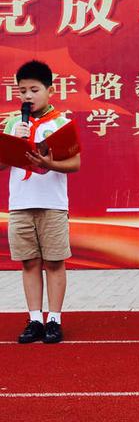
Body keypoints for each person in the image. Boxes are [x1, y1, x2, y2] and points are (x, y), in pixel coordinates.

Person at [0, 60, 81, 343]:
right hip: (20, 204)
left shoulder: (61, 123)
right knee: (29, 263)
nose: (28, 96)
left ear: (50, 90)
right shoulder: (12, 122)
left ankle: (54, 320)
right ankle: (35, 318)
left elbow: (75, 163)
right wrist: (13, 140)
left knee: (55, 262)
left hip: (52, 203)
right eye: (22, 91)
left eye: (34, 90)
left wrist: (50, 162)